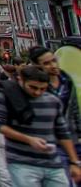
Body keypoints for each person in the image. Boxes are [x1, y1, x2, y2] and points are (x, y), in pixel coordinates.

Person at [0, 65, 81, 186]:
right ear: (21, 80)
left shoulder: (53, 101)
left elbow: (63, 132)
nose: (37, 92)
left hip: (53, 163)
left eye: (42, 89)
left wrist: (74, 162)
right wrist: (29, 139)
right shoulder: (7, 97)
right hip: (22, 163)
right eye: (33, 87)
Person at [30, 46, 81, 178]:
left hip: (73, 137)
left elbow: (74, 109)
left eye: (54, 60)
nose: (53, 65)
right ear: (37, 66)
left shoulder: (66, 79)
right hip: (52, 142)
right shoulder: (36, 87)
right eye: (46, 63)